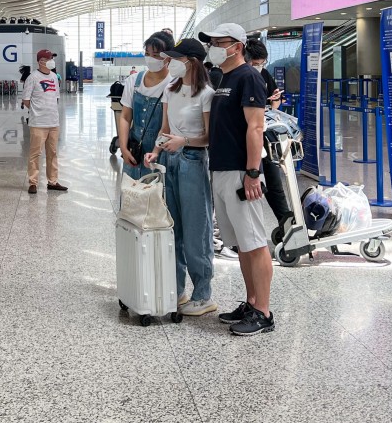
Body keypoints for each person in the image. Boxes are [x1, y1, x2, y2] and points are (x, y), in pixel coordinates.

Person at [204, 24, 275, 336]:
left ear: (237, 46)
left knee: (256, 243)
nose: (215, 47)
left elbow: (255, 127)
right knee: (242, 244)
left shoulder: (249, 77)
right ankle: (251, 301)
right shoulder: (224, 78)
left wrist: (252, 172)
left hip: (239, 171)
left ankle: (264, 312)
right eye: (213, 42)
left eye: (220, 42)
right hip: (221, 168)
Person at [143, 38, 216, 317]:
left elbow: (209, 137)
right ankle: (177, 290)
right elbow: (164, 128)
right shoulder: (171, 91)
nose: (170, 63)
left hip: (192, 162)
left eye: (176, 59)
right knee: (173, 229)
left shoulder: (206, 94)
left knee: (197, 230)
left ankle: (203, 294)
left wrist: (183, 141)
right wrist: (155, 151)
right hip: (170, 162)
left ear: (192, 62)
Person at [244, 37, 292, 227]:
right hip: (246, 136)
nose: (258, 67)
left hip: (264, 135)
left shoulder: (263, 75)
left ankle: (287, 225)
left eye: (261, 63)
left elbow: (276, 98)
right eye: (255, 63)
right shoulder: (237, 77)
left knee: (274, 184)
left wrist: (271, 107)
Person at [118, 32, 173, 180]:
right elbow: (125, 116)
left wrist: (156, 150)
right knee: (131, 193)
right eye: (147, 54)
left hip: (161, 150)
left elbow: (167, 126)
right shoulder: (134, 80)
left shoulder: (173, 83)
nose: (150, 59)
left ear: (168, 57)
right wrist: (123, 147)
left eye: (156, 55)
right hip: (134, 148)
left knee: (156, 196)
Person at [22, 49, 67, 194]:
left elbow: (56, 97)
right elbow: (26, 100)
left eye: (52, 58)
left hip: (53, 122)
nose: (51, 61)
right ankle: (33, 182)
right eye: (49, 58)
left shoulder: (54, 76)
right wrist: (37, 111)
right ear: (40, 61)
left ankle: (52, 181)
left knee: (52, 153)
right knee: (35, 153)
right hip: (38, 123)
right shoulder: (32, 77)